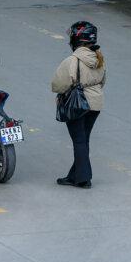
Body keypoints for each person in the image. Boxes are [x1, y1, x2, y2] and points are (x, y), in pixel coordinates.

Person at [50, 21, 106, 189]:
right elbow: (103, 81)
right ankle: (74, 175)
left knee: (79, 141)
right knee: (83, 140)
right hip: (96, 103)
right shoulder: (99, 58)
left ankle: (83, 178)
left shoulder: (72, 60)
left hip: (77, 104)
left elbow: (57, 85)